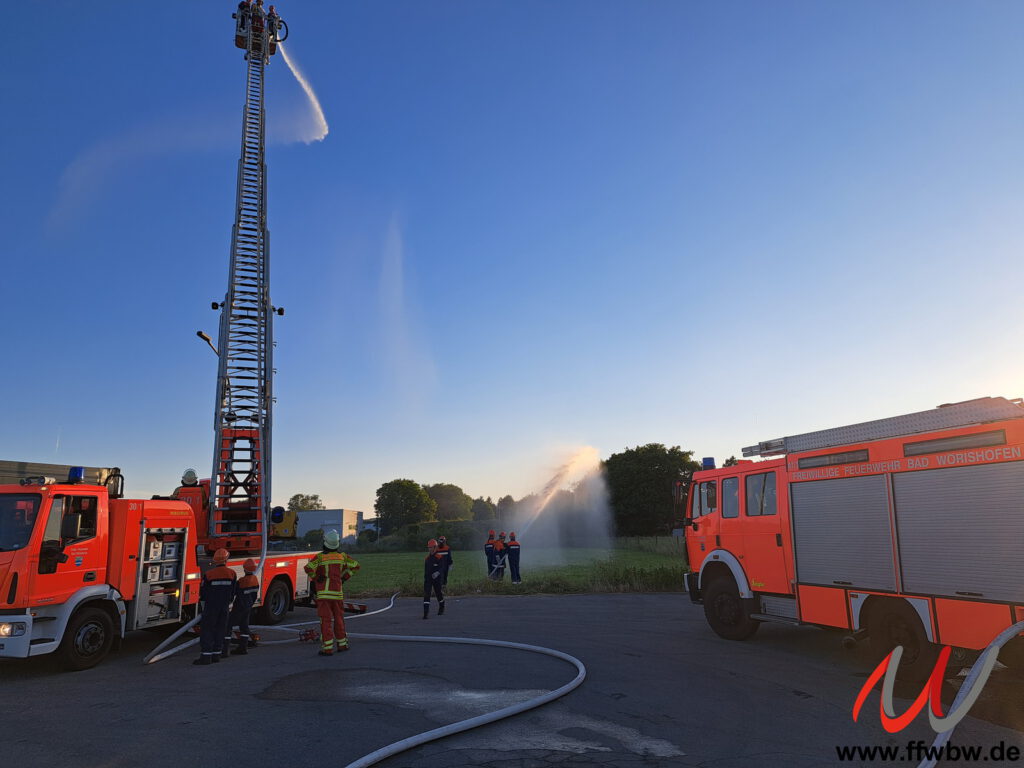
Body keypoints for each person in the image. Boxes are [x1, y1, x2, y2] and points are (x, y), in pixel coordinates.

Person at [303, 530, 360, 656]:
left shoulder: (320, 557)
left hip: (324, 595)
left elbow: (308, 568)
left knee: (326, 620)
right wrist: (344, 577)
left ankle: (327, 648)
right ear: (337, 543)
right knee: (339, 619)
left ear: (325, 543)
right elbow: (356, 566)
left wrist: (316, 577)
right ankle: (342, 645)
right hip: (337, 594)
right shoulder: (343, 557)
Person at [195, 548, 237, 666]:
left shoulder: (209, 574)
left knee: (207, 630)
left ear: (214, 560)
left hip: (211, 606)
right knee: (220, 629)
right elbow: (233, 591)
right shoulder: (232, 573)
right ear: (226, 559)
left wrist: (203, 607)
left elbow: (203, 593)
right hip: (224, 607)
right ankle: (217, 655)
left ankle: (206, 657)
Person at [227, 558, 260, 655]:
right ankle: (243, 647)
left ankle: (224, 647)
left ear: (244, 569)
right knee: (244, 627)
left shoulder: (242, 581)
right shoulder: (255, 580)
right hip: (248, 606)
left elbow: (234, 592)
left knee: (228, 625)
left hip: (239, 607)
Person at [423, 539, 445, 619]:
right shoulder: (427, 558)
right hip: (428, 580)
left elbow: (442, 568)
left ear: (435, 547)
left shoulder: (439, 557)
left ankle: (442, 606)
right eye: (428, 547)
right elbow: (426, 571)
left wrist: (437, 573)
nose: (429, 549)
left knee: (438, 593)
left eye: (431, 547)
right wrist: (425, 580)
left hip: (437, 579)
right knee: (426, 595)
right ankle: (426, 613)